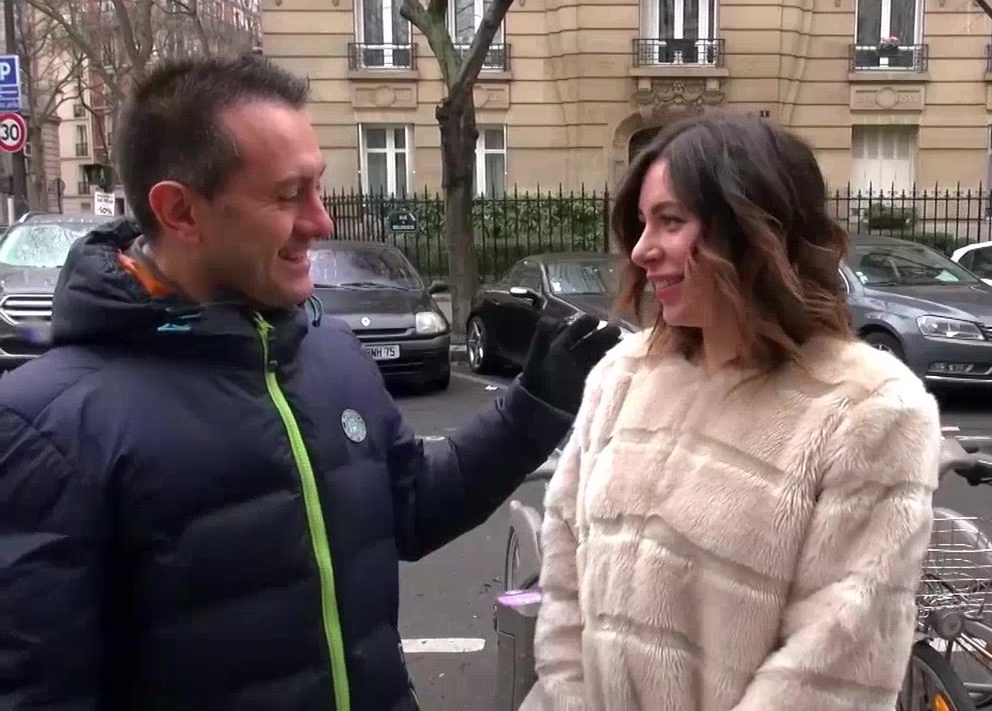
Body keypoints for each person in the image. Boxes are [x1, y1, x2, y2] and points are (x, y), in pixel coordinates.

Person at [0, 54, 620, 710]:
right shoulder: (45, 427)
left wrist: (533, 406)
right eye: (288, 195)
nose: (322, 222)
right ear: (180, 211)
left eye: (318, 187)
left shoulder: (328, 353)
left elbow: (413, 509)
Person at [522, 114, 942, 710]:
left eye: (671, 221)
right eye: (642, 223)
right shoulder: (623, 375)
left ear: (755, 232)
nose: (641, 250)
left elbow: (834, 656)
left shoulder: (866, 408)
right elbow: (564, 578)